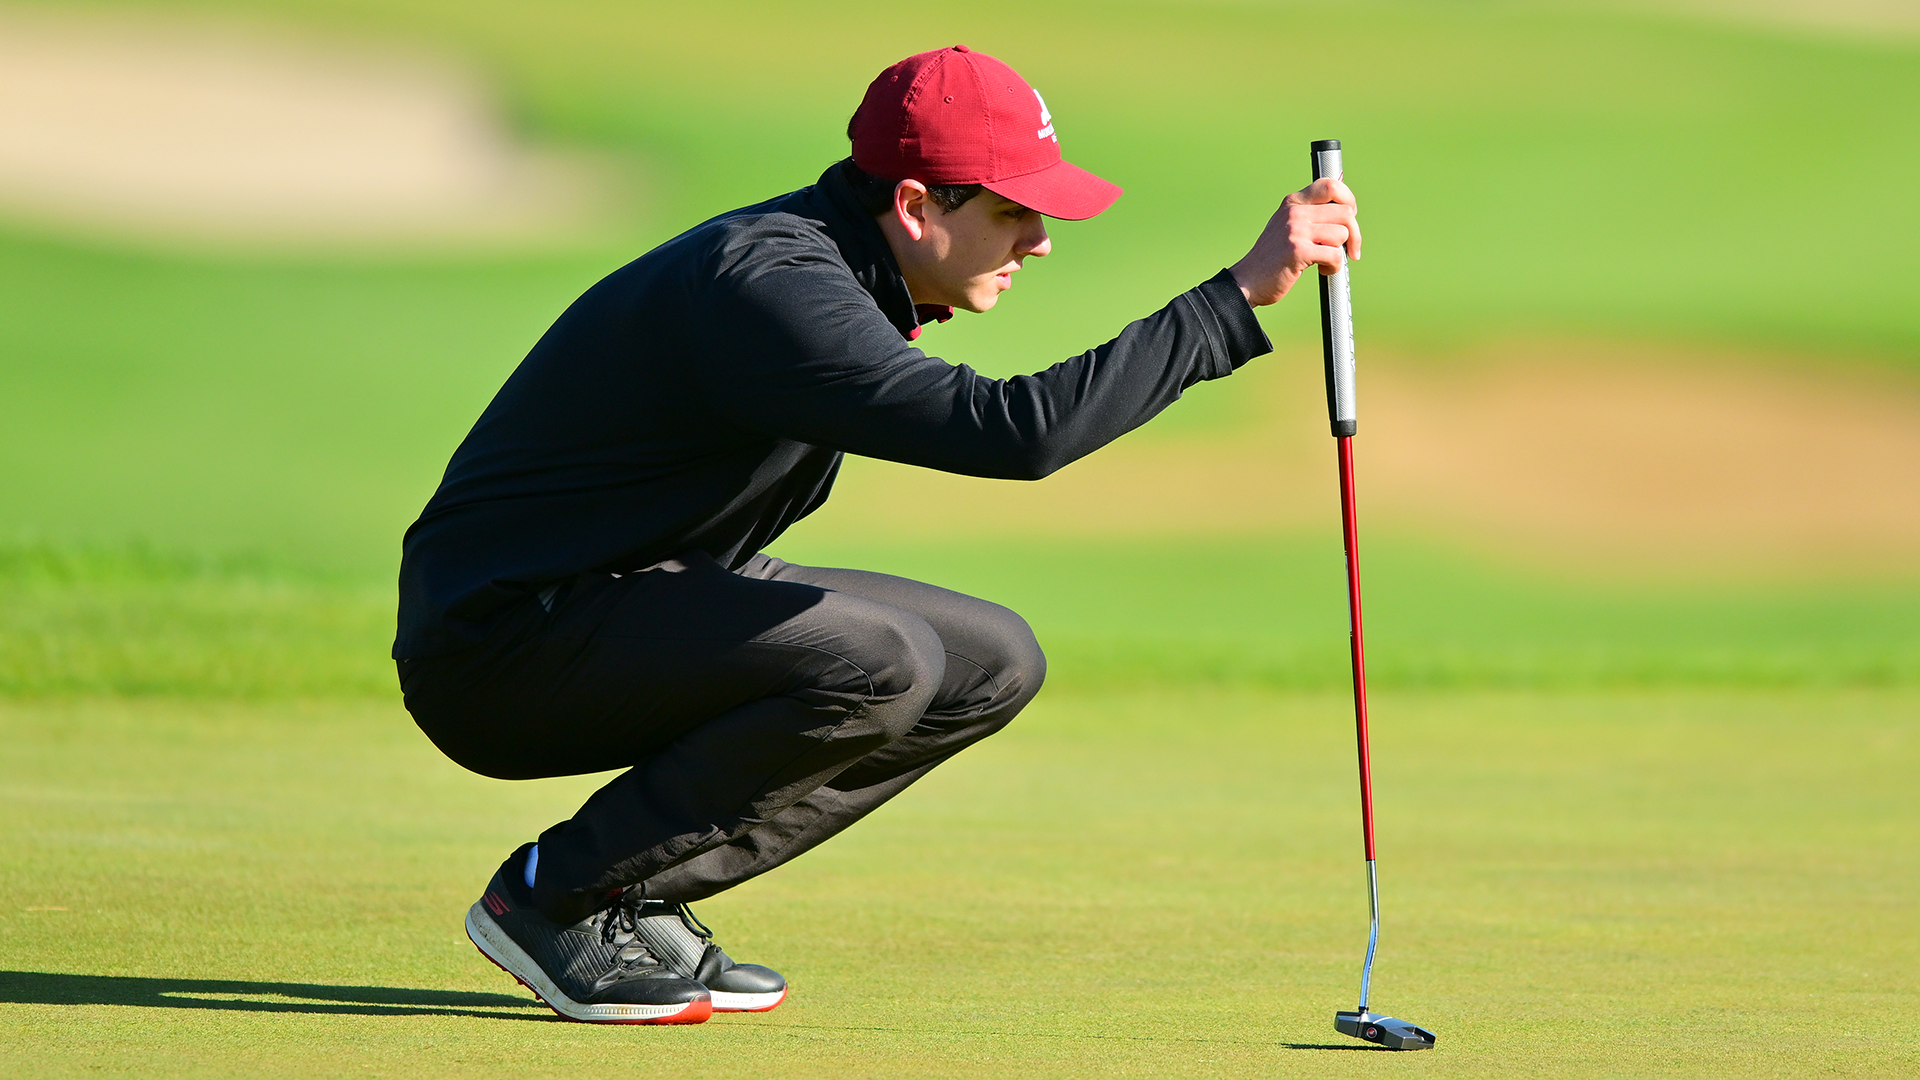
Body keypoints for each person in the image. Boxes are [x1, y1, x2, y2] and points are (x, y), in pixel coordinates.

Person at [395, 44, 1360, 1025]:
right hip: (505, 645)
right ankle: (555, 894)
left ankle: (635, 890)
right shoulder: (770, 288)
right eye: (1010, 210)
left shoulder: (828, 261)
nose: (1040, 239)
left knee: (990, 660)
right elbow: (1013, 436)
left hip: (631, 593)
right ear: (912, 208)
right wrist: (1233, 298)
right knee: (880, 661)